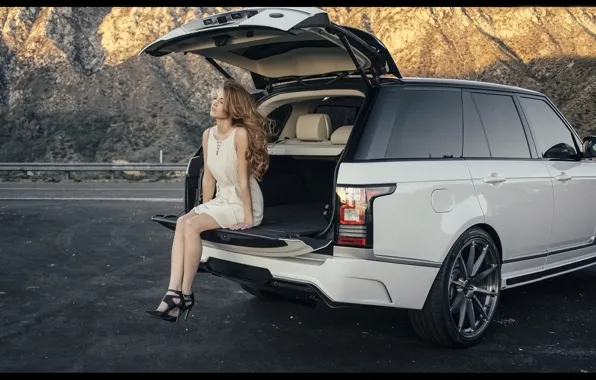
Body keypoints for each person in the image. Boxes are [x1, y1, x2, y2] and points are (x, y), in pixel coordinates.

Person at [145, 79, 272, 322]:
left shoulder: (241, 134)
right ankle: (173, 292)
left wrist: (249, 218)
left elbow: (244, 181)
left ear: (232, 107)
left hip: (242, 201)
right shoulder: (207, 135)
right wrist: (203, 208)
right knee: (184, 221)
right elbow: (209, 178)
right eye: (214, 98)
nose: (214, 102)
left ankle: (185, 293)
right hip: (222, 198)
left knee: (192, 226)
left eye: (221, 100)